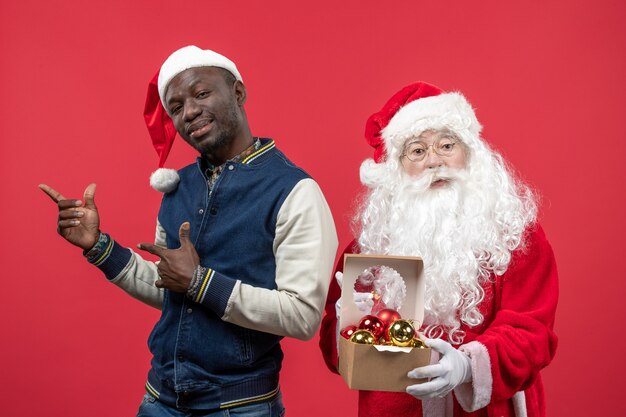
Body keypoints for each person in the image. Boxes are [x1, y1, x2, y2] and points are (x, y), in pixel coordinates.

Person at [40, 45, 338, 416]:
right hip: (160, 398)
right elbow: (170, 288)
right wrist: (99, 247)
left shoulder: (293, 191)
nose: (189, 112)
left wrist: (200, 282)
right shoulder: (177, 187)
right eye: (176, 107)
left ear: (238, 93)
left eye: (201, 93)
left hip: (238, 405)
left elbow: (302, 316)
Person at [319, 82, 558, 417]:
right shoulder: (370, 245)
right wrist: (346, 326)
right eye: (417, 151)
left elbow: (531, 333)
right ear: (397, 167)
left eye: (447, 145)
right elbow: (335, 352)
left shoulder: (515, 236)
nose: (434, 161)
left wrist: (467, 367)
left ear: (470, 151)